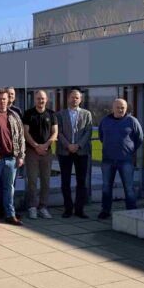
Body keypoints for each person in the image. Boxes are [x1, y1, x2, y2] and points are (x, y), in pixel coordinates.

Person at [0, 88, 25, 227]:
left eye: (4, 99)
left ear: (8, 100)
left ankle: (10, 215)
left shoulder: (14, 115)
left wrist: (21, 156)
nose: (2, 101)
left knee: (9, 187)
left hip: (11, 158)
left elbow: (21, 137)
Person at [98, 99, 143, 219]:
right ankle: (105, 210)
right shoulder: (105, 120)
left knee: (129, 187)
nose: (120, 109)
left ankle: (132, 211)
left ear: (126, 108)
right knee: (106, 186)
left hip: (125, 160)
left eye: (123, 107)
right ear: (112, 108)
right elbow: (101, 136)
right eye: (117, 107)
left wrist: (130, 150)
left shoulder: (132, 121)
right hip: (107, 160)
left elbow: (139, 139)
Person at [56, 89, 93, 219]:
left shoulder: (87, 114)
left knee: (81, 181)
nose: (74, 99)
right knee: (65, 181)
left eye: (77, 97)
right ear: (68, 98)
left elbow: (88, 132)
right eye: (72, 97)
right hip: (64, 151)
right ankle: (68, 208)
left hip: (81, 151)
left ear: (80, 99)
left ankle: (79, 209)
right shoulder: (60, 115)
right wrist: (68, 145)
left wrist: (78, 145)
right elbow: (58, 132)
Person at [23, 90, 58, 220]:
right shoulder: (28, 114)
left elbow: (55, 132)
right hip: (32, 151)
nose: (40, 101)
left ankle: (43, 207)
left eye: (42, 98)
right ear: (35, 99)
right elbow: (25, 132)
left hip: (47, 152)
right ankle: (32, 207)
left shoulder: (52, 114)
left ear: (46, 99)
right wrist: (36, 146)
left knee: (45, 181)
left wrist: (46, 145)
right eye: (38, 98)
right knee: (32, 181)